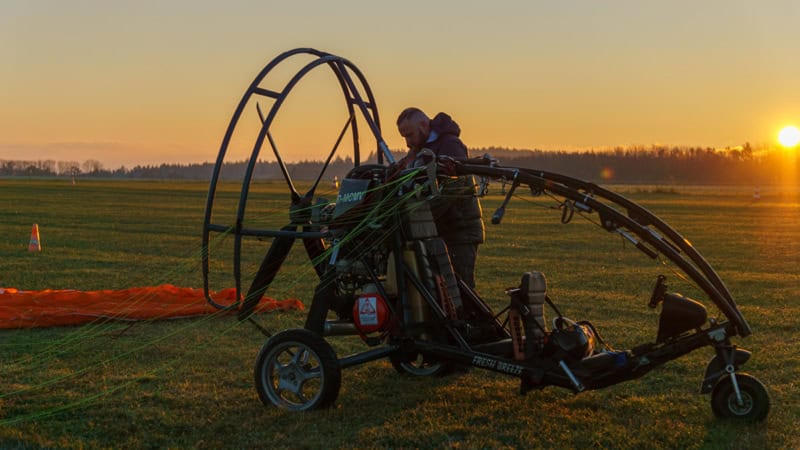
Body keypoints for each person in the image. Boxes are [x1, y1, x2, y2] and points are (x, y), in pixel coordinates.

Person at [396, 107, 484, 288]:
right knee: (439, 291)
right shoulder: (420, 150)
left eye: (410, 135)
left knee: (461, 288)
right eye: (404, 137)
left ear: (423, 124)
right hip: (438, 230)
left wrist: (417, 214)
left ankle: (469, 317)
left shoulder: (450, 145)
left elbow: (453, 188)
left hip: (459, 230)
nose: (407, 142)